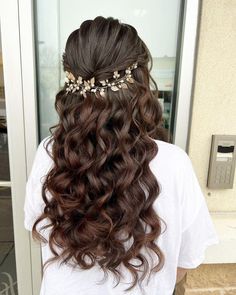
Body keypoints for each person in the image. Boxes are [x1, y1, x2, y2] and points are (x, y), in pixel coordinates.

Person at [24, 16, 219, 295]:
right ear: (140, 83)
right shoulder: (174, 163)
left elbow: (37, 228)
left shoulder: (49, 153)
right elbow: (185, 261)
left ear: (71, 81)